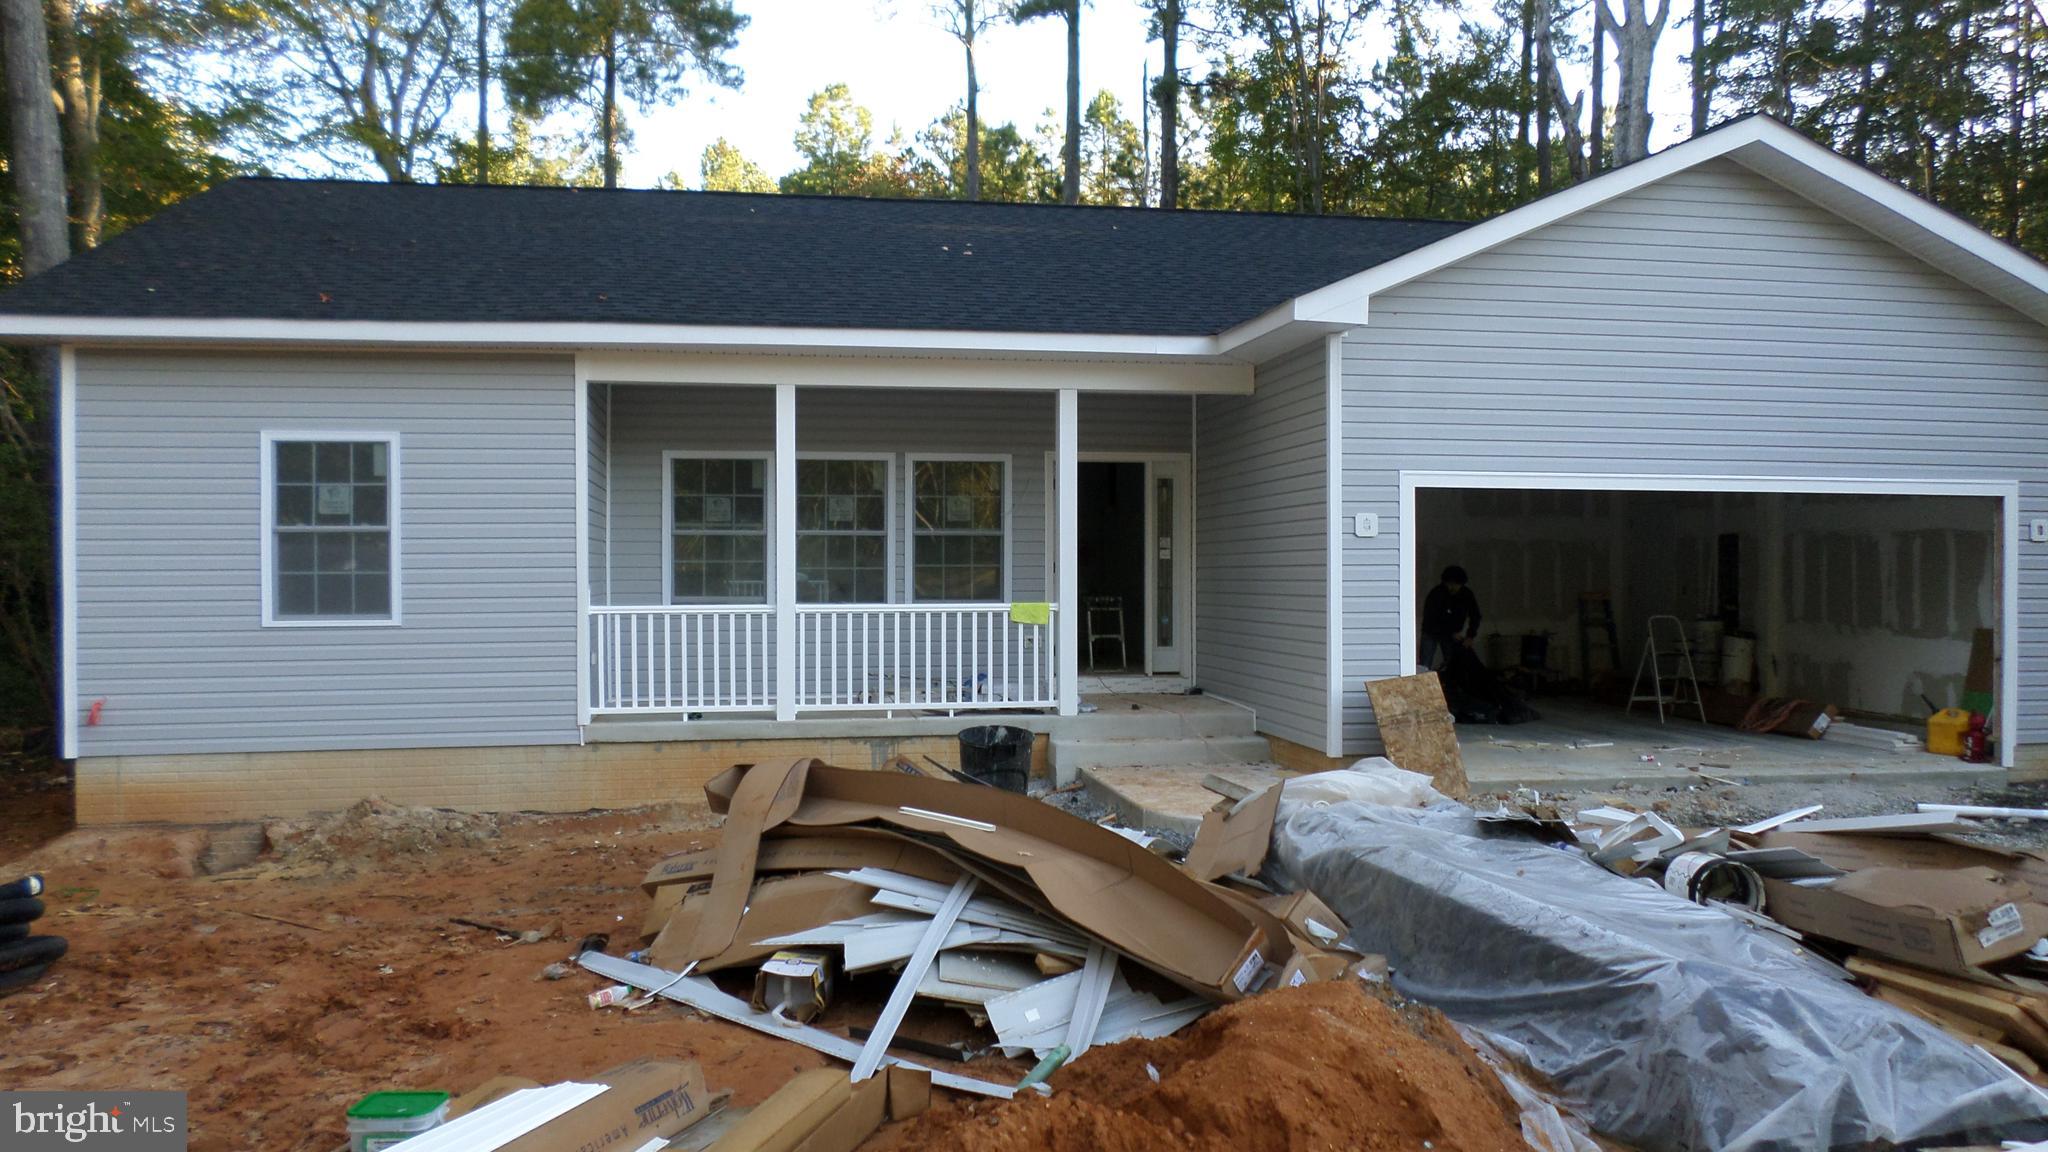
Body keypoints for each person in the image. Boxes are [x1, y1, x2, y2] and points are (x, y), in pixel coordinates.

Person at [1420, 565, 1482, 670]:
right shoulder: (1436, 594)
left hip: (1452, 635)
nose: (1452, 587)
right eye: (1449, 584)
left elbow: (1475, 615)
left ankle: (1450, 684)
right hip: (1432, 632)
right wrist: (1450, 632)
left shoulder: (1466, 595)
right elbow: (1431, 620)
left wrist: (1470, 636)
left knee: (1452, 662)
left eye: (1456, 584)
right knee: (1425, 664)